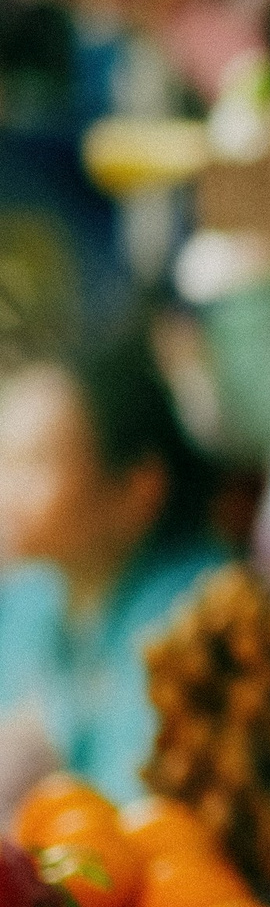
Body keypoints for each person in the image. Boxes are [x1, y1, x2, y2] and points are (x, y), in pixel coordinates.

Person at [0, 331, 227, 802]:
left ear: (138, 490)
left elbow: (138, 810)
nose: (7, 491)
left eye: (35, 463)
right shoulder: (28, 595)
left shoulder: (201, 615)